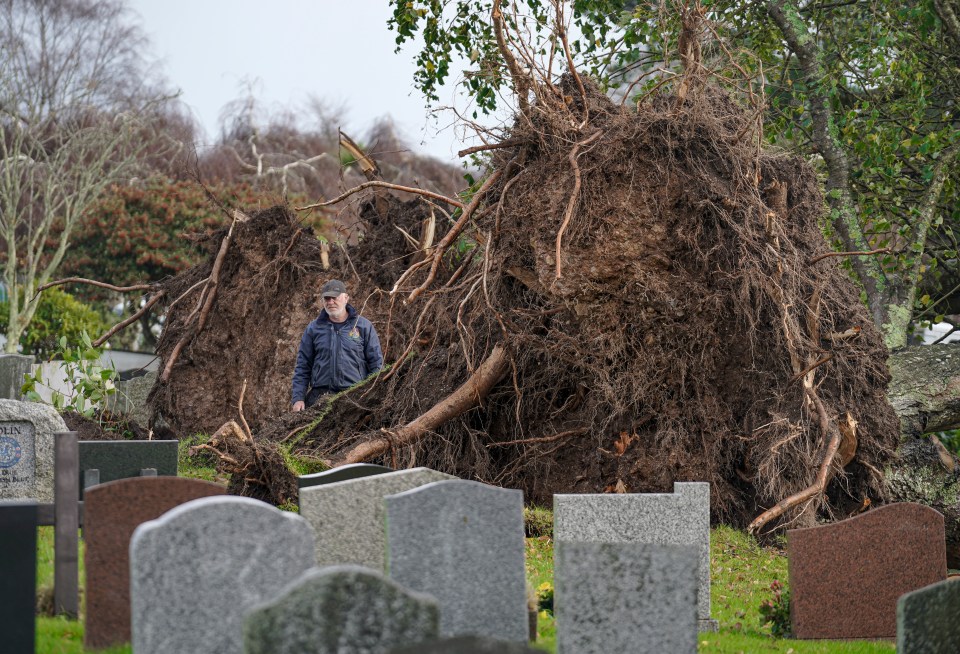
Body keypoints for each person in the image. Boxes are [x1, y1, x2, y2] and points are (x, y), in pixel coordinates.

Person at [291, 279, 383, 411]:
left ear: (346, 298)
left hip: (354, 396)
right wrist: (298, 398)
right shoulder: (313, 329)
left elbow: (376, 365)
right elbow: (303, 366)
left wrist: (373, 395)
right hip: (319, 398)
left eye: (334, 297)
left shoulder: (363, 326)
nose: (330, 302)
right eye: (326, 299)